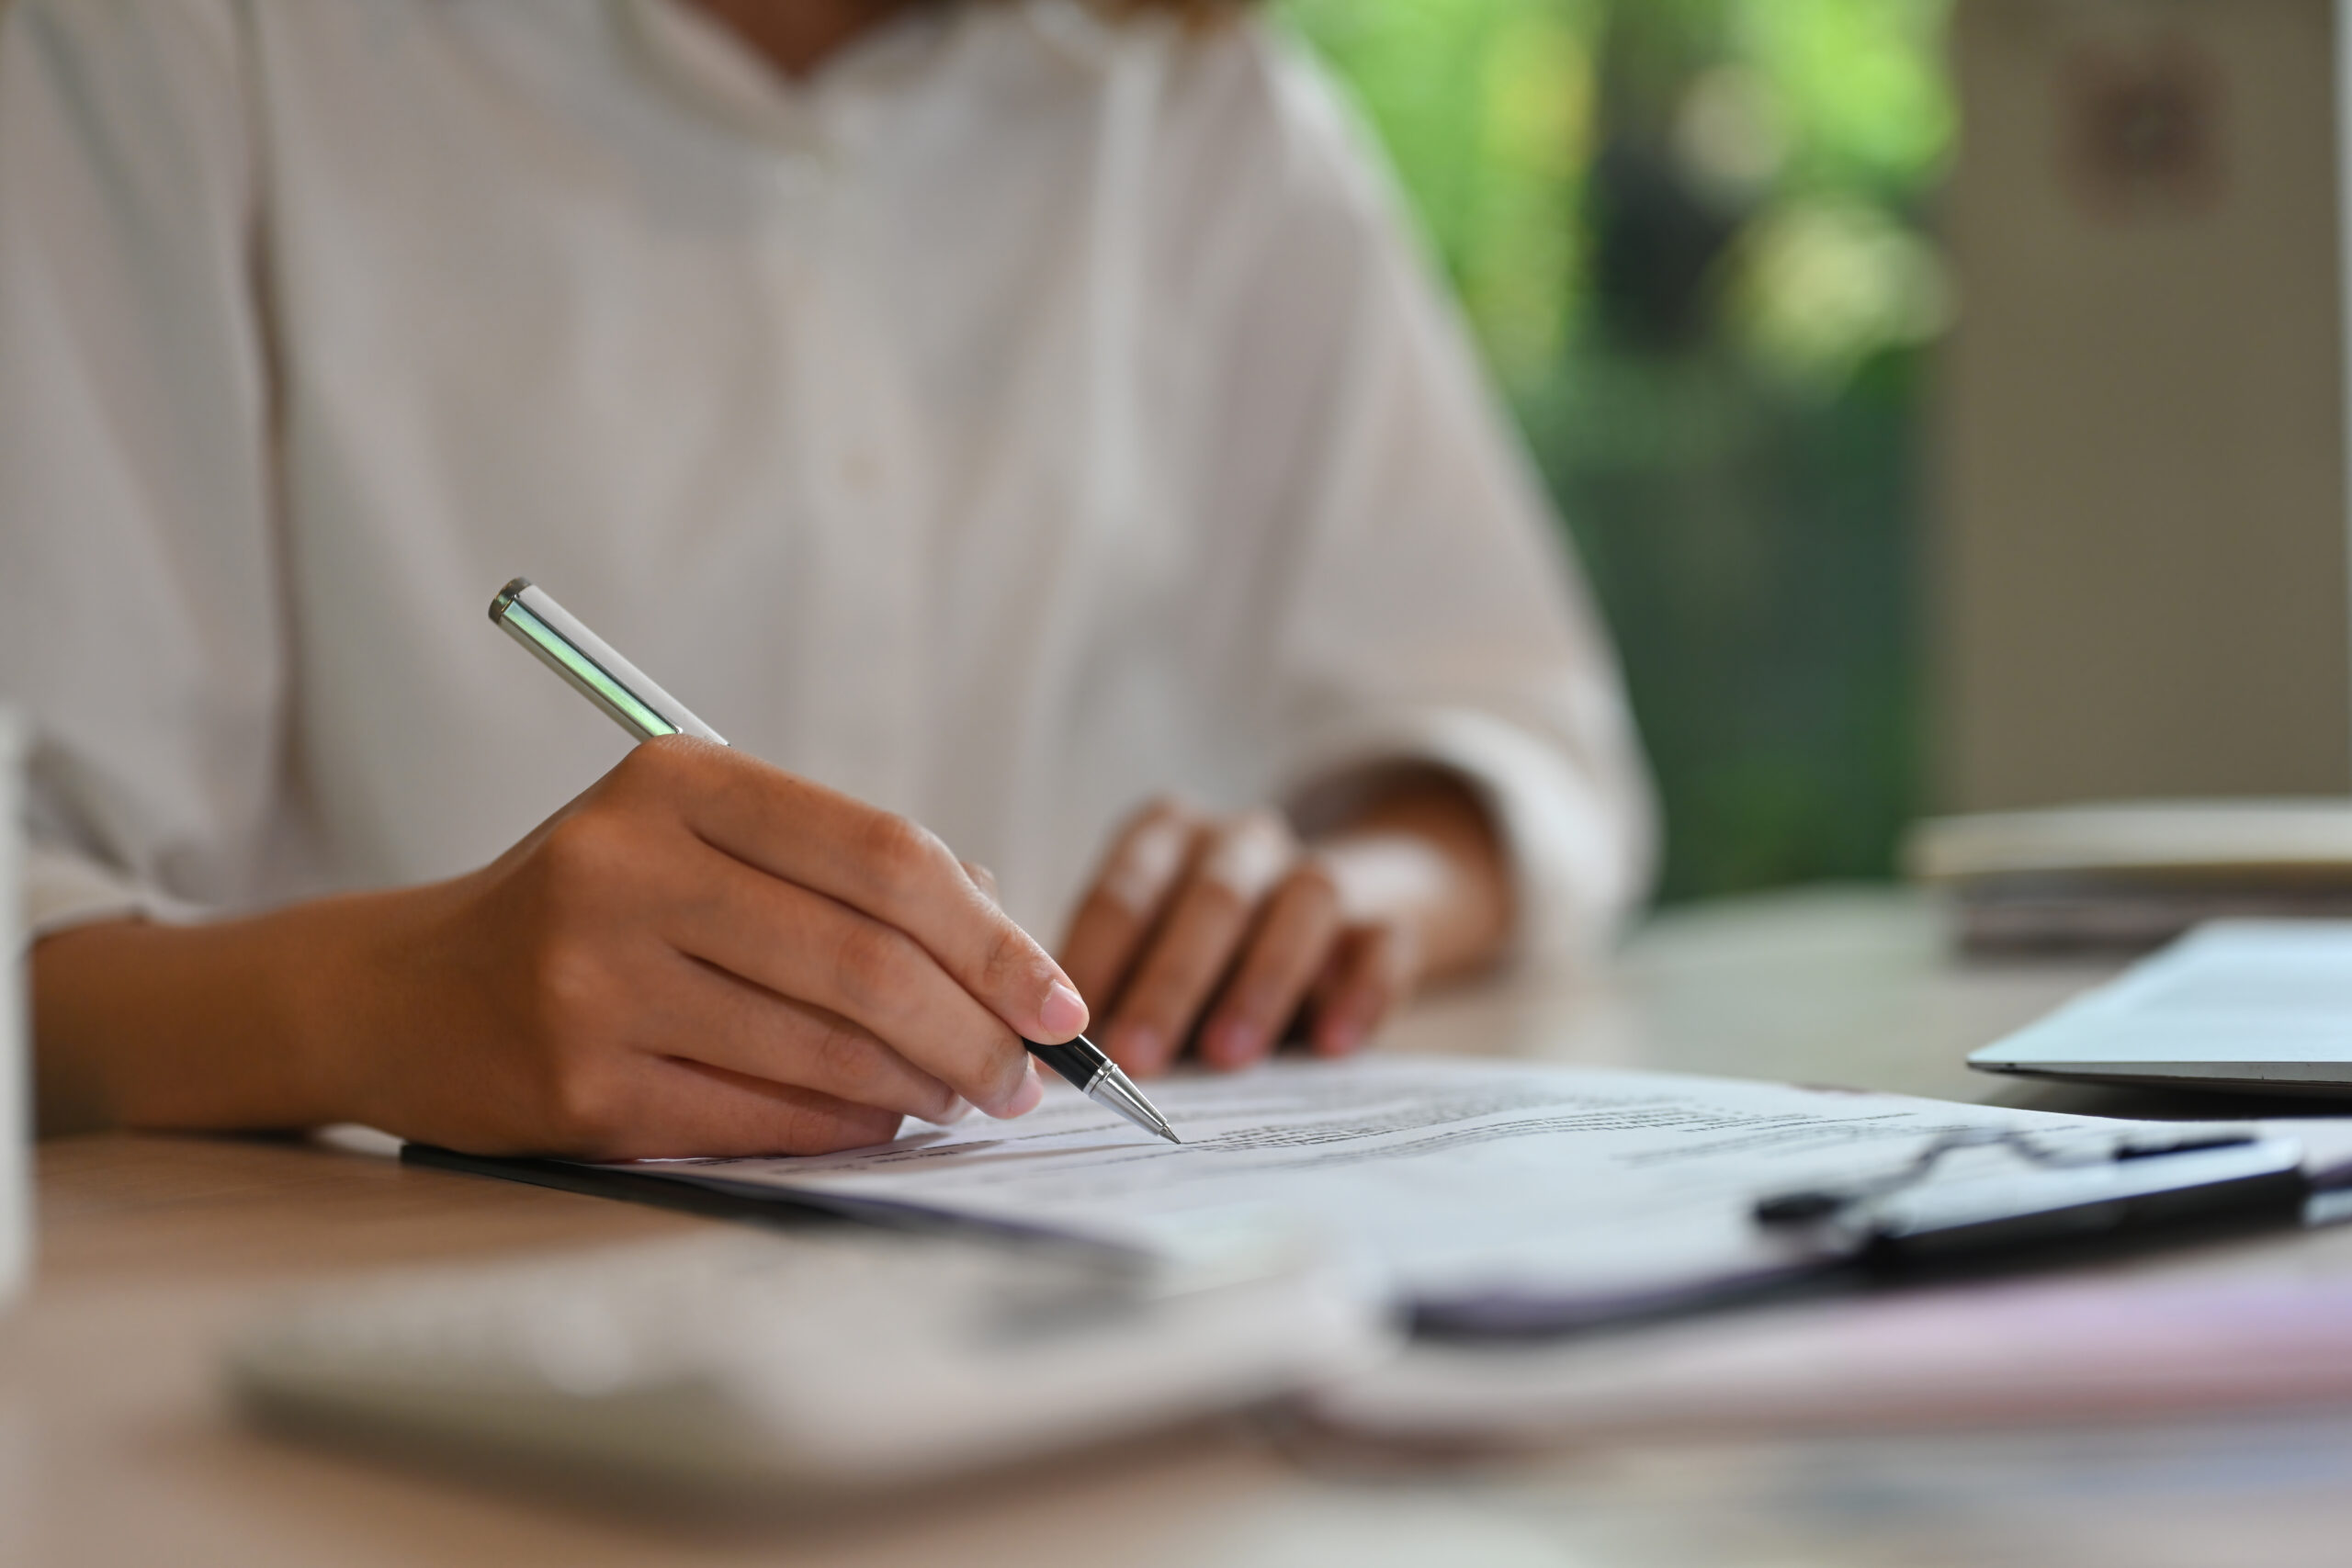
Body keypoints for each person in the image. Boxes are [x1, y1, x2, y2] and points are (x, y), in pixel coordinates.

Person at [0, 0, 1653, 1159]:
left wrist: (1323, 910)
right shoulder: (174, 48)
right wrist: (381, 1006)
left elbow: (1512, 746)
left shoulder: (1202, 102)